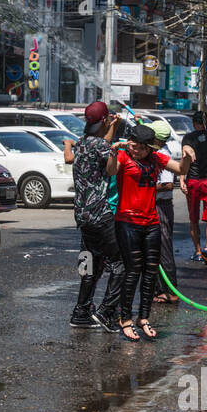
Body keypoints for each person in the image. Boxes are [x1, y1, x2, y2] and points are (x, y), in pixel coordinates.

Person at [106, 123, 190, 341]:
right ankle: (125, 319)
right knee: (132, 271)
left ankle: (143, 318)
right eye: (133, 145)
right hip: (127, 221)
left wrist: (188, 155)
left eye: (141, 148)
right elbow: (111, 171)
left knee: (150, 271)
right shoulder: (124, 157)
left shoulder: (156, 159)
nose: (136, 150)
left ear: (150, 148)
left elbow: (181, 169)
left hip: (151, 222)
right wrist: (114, 153)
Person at [69, 101, 125, 331]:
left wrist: (111, 126)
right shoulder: (102, 146)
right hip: (100, 214)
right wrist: (115, 153)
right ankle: (106, 312)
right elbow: (113, 169)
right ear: (103, 121)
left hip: (82, 216)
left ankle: (81, 312)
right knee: (121, 264)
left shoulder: (81, 144)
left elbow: (103, 141)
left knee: (90, 263)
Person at [180, 110, 207, 265]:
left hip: (193, 181)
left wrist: (181, 179)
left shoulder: (188, 137)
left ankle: (198, 251)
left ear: (194, 123)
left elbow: (184, 160)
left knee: (193, 218)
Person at [152, 120, 179, 303]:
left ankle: (170, 291)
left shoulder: (162, 154)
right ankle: (160, 290)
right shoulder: (157, 151)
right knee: (154, 249)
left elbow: (168, 183)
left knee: (164, 249)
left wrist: (146, 187)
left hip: (161, 206)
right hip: (157, 206)